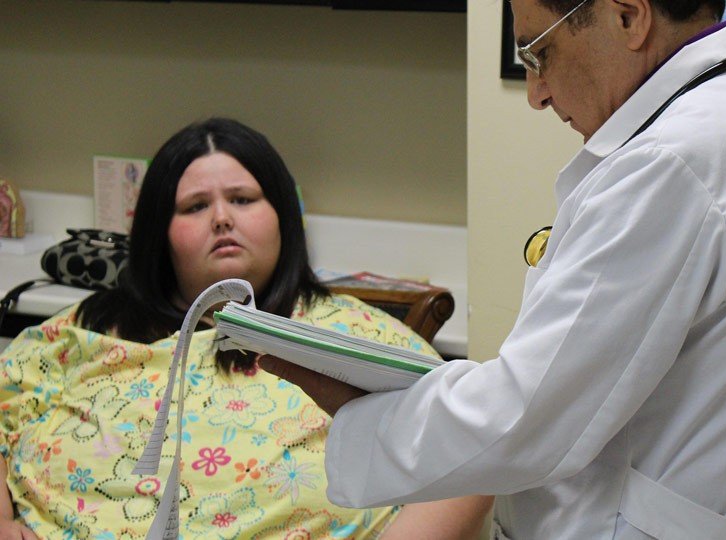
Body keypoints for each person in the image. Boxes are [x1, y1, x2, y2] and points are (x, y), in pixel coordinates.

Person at [260, 1, 726, 539]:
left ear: (628, 16)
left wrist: (364, 413)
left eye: (539, 52)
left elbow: (528, 417)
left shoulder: (676, 163)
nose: (536, 94)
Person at [0, 118, 492, 539]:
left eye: (242, 199)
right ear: (158, 232)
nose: (221, 218)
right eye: (195, 206)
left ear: (283, 218)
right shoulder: (81, 332)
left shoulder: (356, 334)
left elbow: (469, 459)